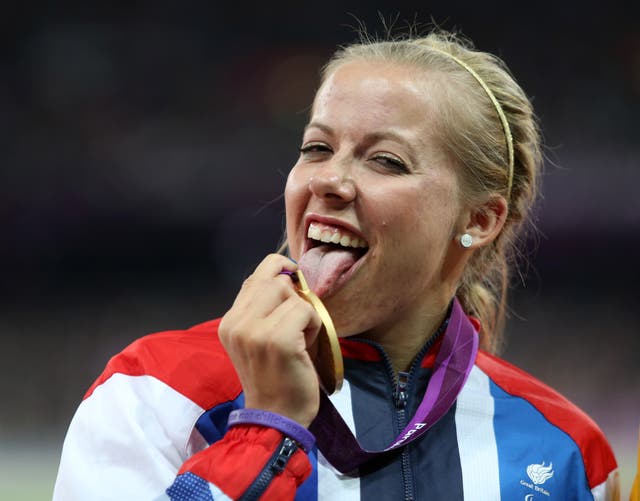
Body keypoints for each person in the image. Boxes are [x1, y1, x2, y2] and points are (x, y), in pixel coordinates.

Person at [53, 30, 620, 500]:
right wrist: (264, 432)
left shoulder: (567, 453)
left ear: (481, 219)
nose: (329, 180)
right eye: (317, 149)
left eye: (386, 161)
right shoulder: (155, 391)